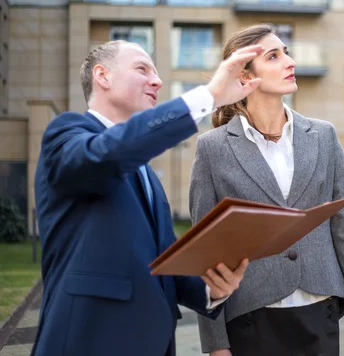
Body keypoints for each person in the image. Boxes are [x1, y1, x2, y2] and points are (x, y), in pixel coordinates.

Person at [189, 24, 344, 356]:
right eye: (274, 56)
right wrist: (216, 345)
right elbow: (208, 252)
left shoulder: (323, 136)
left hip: (320, 313)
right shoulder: (213, 148)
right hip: (250, 319)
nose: (290, 61)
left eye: (286, 52)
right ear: (245, 76)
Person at [32, 39, 265, 356]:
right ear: (102, 76)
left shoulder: (145, 173)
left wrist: (211, 288)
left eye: (156, 73)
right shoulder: (66, 132)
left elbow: (160, 263)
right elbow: (108, 154)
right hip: (89, 340)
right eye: (142, 69)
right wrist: (209, 96)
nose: (157, 81)